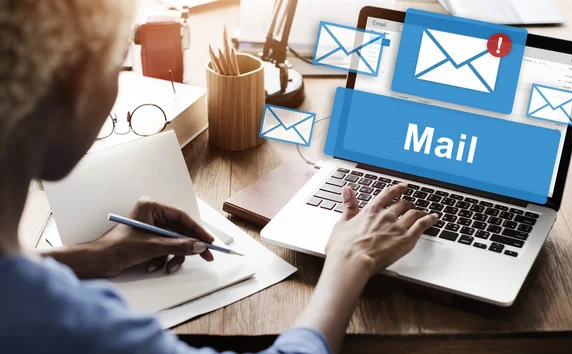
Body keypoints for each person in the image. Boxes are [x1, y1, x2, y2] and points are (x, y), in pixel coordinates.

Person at [0, 1, 438, 353]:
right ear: (74, 87)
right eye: (117, 66)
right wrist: (349, 262)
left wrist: (94, 255)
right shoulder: (78, 328)